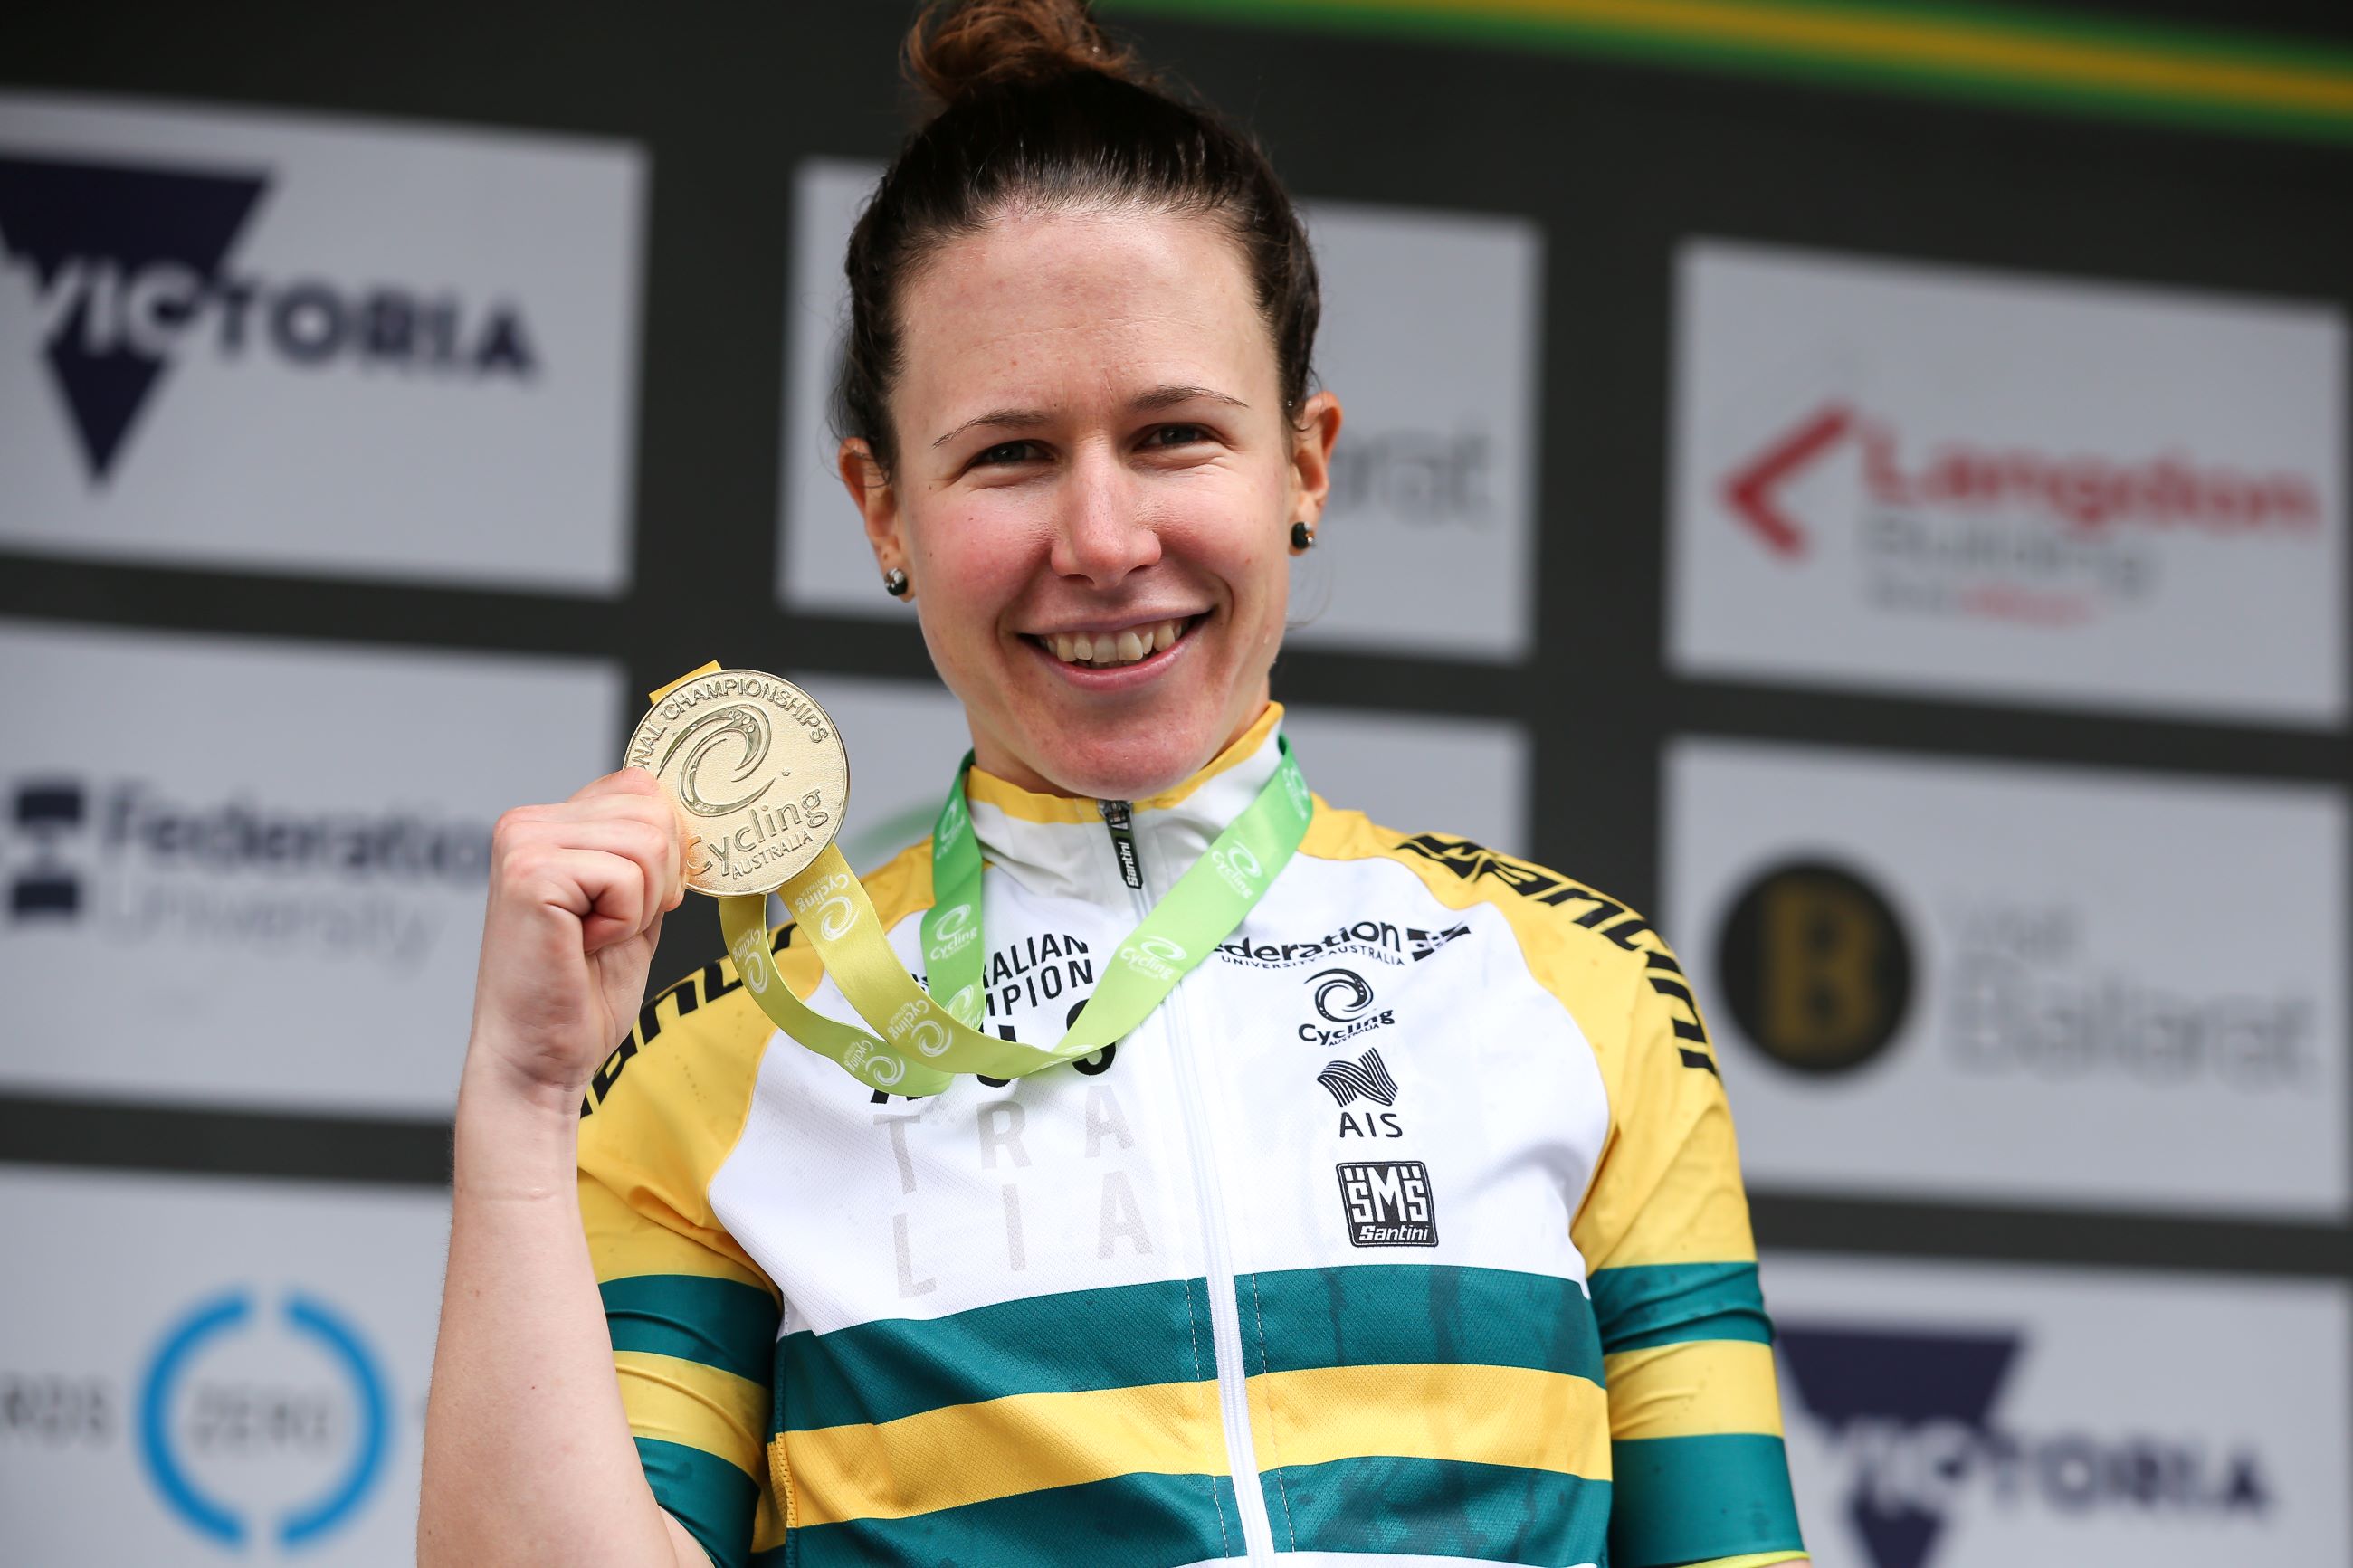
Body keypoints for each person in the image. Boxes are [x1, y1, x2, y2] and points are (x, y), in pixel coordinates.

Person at [419, 3, 1809, 1565]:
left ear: (1304, 461)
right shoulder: (723, 1062)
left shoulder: (1586, 991)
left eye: (1171, 435)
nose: (1101, 539)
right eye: (1008, 454)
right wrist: (527, 1107)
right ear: (883, 509)